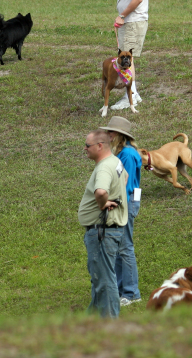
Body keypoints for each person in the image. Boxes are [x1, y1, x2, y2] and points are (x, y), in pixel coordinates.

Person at [79, 129, 128, 318]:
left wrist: (103, 203)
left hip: (102, 231)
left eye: (87, 145)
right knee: (100, 278)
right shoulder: (115, 162)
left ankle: (110, 325)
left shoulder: (104, 168)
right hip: (109, 230)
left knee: (105, 280)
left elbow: (100, 191)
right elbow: (125, 178)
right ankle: (91, 322)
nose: (85, 148)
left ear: (100, 146)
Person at [100, 117, 142, 307]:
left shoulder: (128, 155)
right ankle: (120, 290)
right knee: (119, 249)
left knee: (125, 248)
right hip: (123, 201)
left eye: (110, 132)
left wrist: (114, 203)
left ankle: (132, 293)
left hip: (125, 202)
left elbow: (125, 183)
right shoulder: (124, 153)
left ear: (119, 135)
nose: (107, 135)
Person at [111, 0, 148, 111]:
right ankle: (133, 93)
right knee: (128, 59)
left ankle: (130, 96)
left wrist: (122, 16)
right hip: (133, 21)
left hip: (132, 21)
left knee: (126, 59)